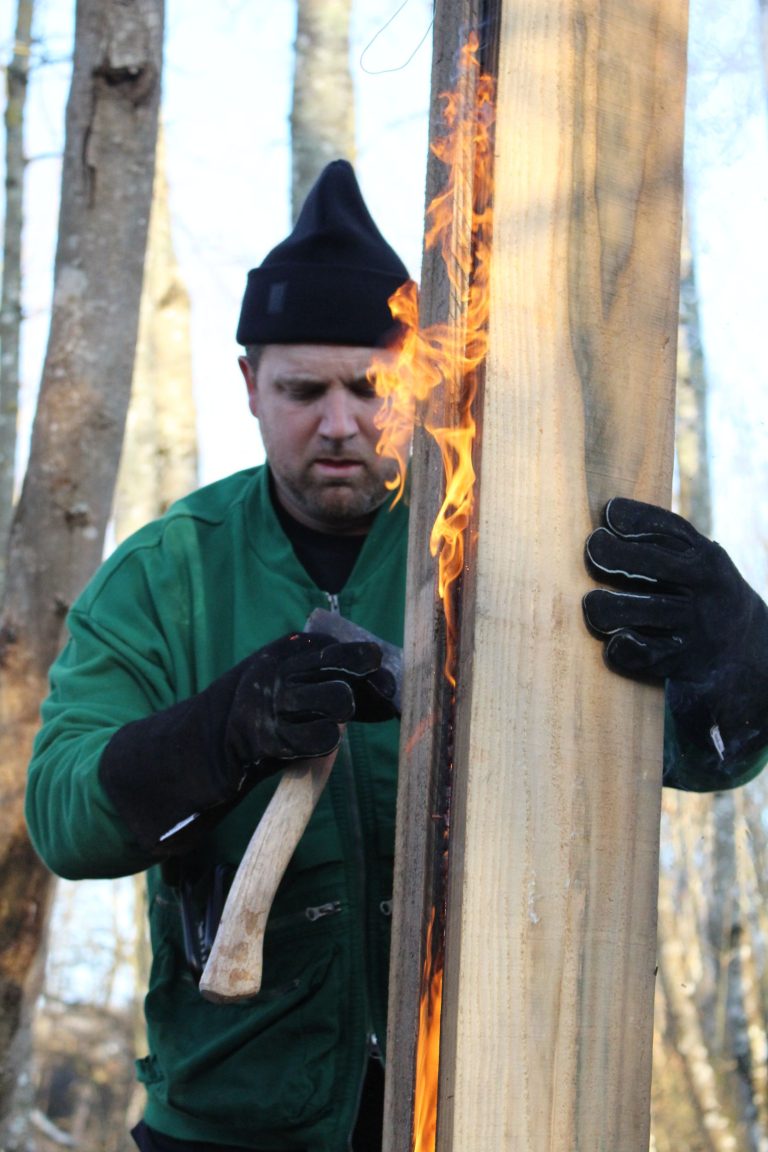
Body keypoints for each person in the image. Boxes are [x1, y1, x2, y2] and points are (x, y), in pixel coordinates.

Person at [25, 160, 768, 1152]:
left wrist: (744, 674)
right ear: (249, 386)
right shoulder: (167, 577)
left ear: (419, 384)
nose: (342, 422)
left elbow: (694, 757)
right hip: (233, 1123)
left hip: (493, 1101)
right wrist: (226, 727)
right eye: (303, 390)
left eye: (372, 386)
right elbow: (65, 817)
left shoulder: (507, 552)